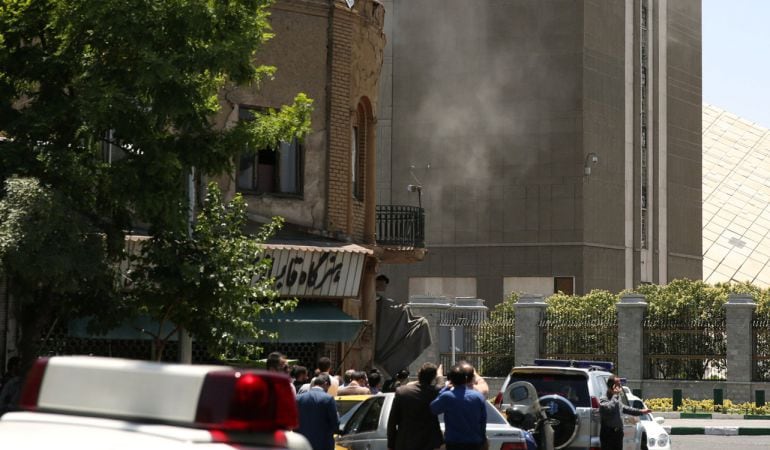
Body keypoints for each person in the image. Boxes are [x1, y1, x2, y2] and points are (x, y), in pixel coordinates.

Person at [430, 363, 487, 450]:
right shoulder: (478, 397)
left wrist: (445, 389)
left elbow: (433, 409)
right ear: (466, 379)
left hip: (454, 443)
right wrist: (483, 439)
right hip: (474, 443)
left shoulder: (447, 396)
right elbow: (483, 421)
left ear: (451, 380)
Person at [387, 362, 443, 450]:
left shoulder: (402, 392)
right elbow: (441, 387)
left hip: (405, 443)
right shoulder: (434, 392)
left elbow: (392, 421)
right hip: (428, 443)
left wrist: (391, 444)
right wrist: (439, 376)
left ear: (418, 374)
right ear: (433, 378)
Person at [599, 375, 650, 450]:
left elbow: (624, 408)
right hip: (608, 434)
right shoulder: (604, 398)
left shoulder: (616, 397)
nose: (620, 387)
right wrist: (615, 396)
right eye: (618, 385)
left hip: (618, 433)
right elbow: (609, 408)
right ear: (613, 386)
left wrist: (641, 411)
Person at [296, 373, 339, 450]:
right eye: (328, 387)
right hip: (323, 444)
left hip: (302, 444)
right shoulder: (328, 399)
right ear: (326, 384)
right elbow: (335, 423)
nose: (327, 390)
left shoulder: (298, 398)